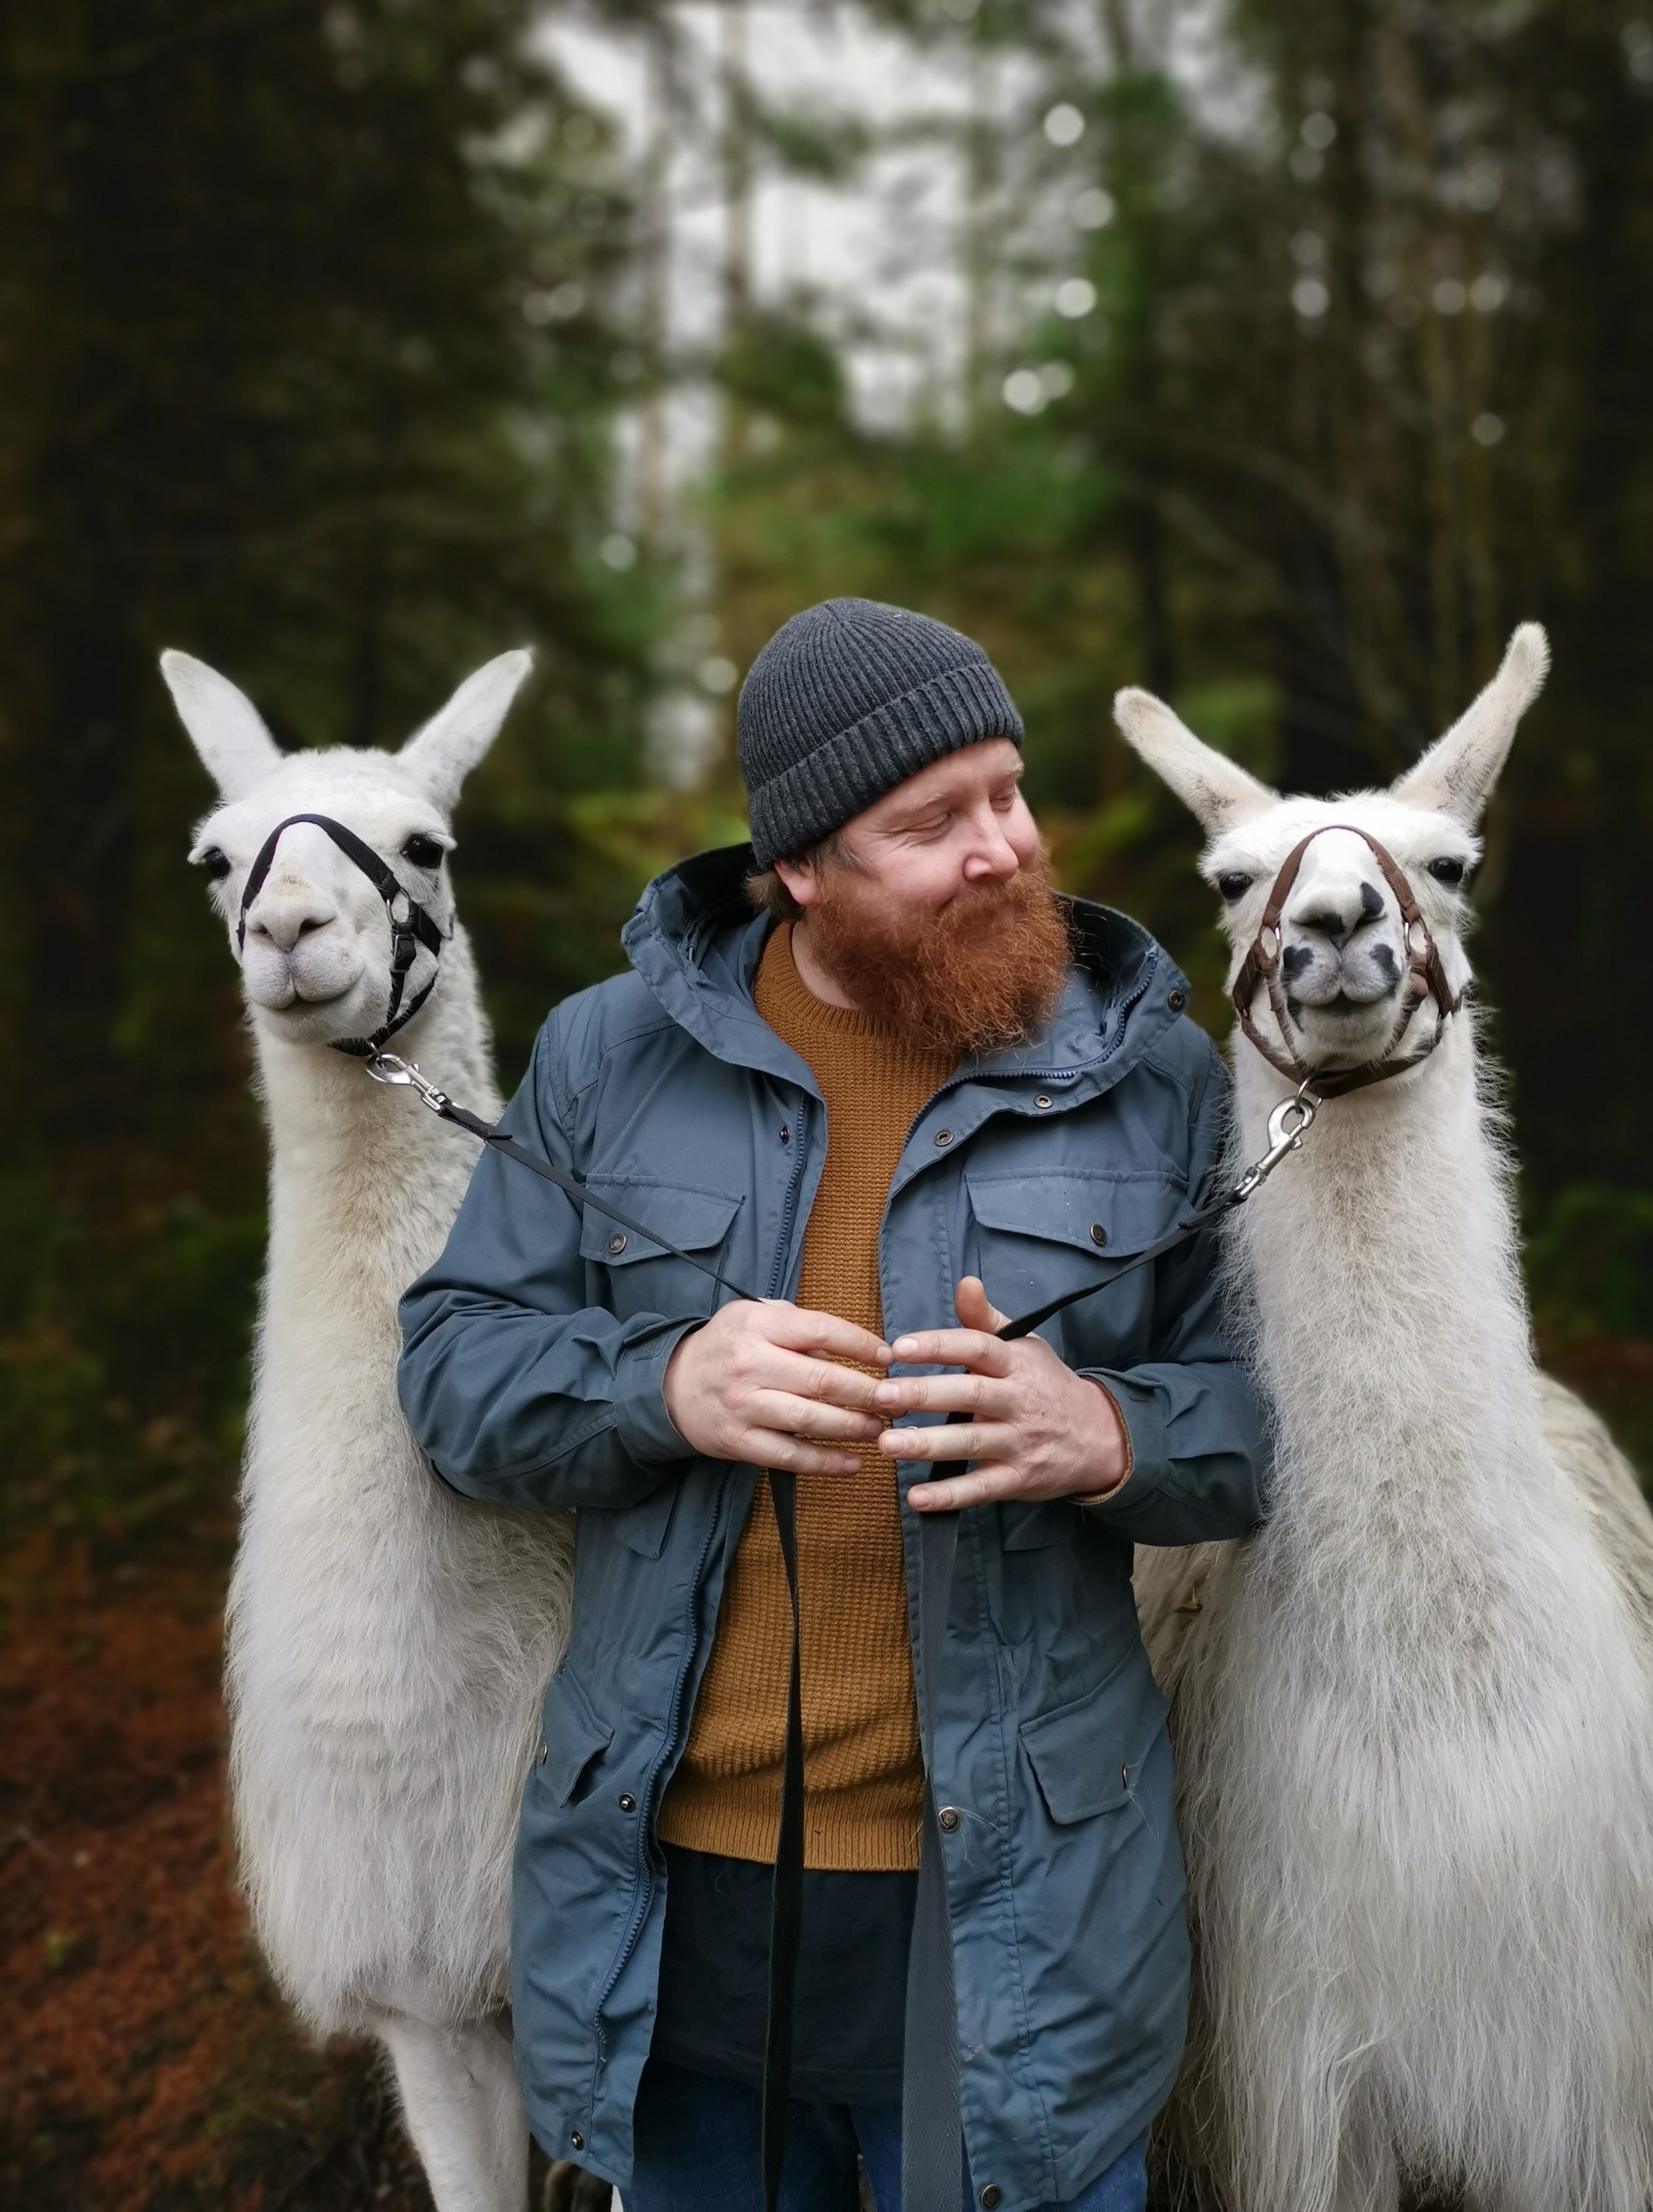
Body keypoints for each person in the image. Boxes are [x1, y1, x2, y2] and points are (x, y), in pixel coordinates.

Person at [396, 599, 1268, 2212]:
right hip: (670, 1905)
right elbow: (454, 1371)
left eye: (1008, 791)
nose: (1004, 848)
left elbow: (1267, 1423)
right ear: (798, 867)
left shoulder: (1157, 1081)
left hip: (1013, 1899)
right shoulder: (607, 1057)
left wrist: (1109, 1435)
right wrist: (659, 1382)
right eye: (930, 822)